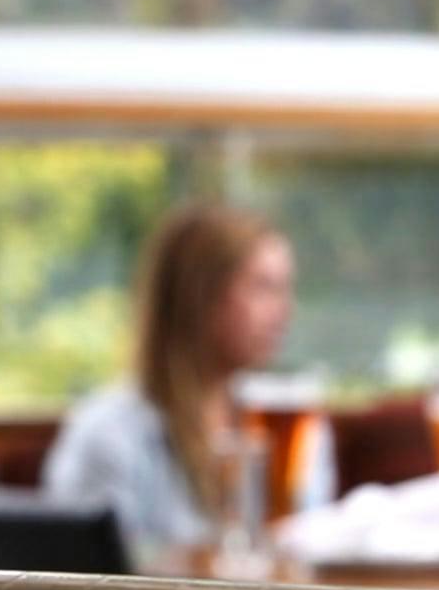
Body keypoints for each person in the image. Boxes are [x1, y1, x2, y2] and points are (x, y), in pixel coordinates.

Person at [44, 203, 295, 562]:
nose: (283, 311)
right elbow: (89, 581)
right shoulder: (108, 436)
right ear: (199, 295)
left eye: (284, 289)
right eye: (262, 288)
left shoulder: (281, 426)